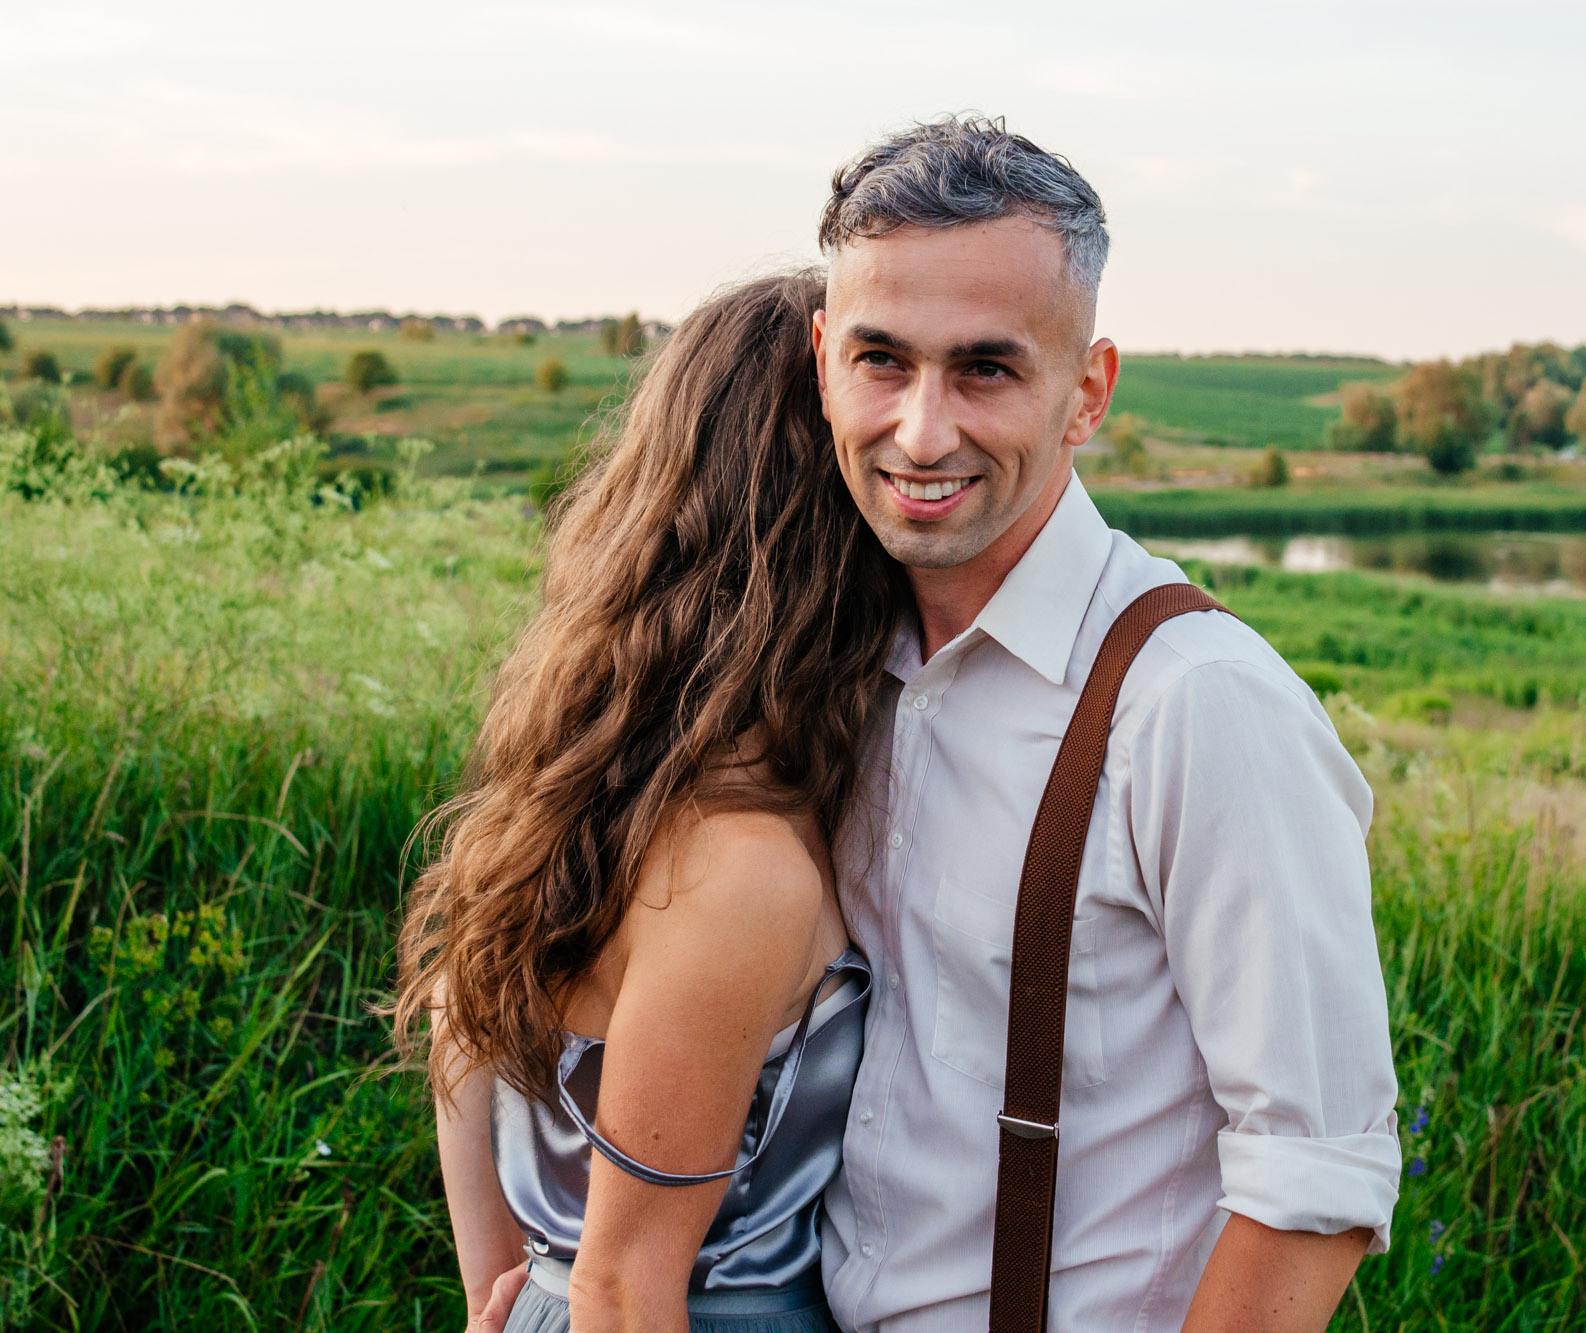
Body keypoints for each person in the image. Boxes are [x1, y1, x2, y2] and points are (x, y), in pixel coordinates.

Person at [811, 117, 1402, 1330]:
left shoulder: (1196, 704)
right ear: (822, 358)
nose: (922, 432)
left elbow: (1316, 1174)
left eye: (985, 369)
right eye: (881, 360)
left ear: (1086, 392)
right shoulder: (826, 660)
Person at [394, 272, 906, 1333]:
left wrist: (509, 1285)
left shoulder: (592, 781)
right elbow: (625, 1287)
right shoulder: (737, 867)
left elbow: (460, 1023)